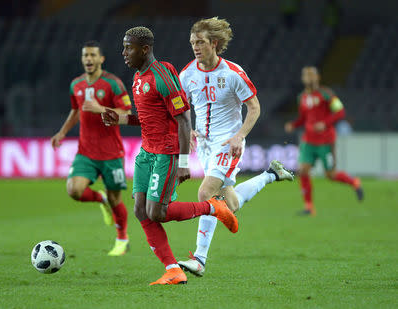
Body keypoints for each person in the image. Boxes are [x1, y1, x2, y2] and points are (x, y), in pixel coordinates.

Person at [102, 26, 238, 285]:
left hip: (166, 152)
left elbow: (184, 119)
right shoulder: (139, 77)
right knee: (141, 211)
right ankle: (173, 269)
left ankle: (213, 207)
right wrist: (120, 118)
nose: (123, 53)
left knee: (157, 212)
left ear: (145, 49)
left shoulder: (162, 75)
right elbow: (147, 118)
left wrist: (184, 163)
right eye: (124, 47)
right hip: (146, 153)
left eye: (128, 47)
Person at [176, 17, 294, 277]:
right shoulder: (187, 74)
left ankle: (199, 259)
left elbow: (254, 106)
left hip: (228, 144)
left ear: (214, 43)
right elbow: (182, 107)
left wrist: (239, 136)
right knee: (231, 203)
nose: (195, 47)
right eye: (192, 42)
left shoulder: (232, 73)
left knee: (205, 193)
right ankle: (271, 174)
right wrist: (191, 129)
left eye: (200, 42)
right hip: (205, 146)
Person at [51, 41, 132, 256]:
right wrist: (62, 132)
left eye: (93, 55)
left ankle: (122, 239)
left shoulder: (113, 84)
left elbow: (126, 112)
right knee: (74, 190)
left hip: (111, 153)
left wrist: (100, 108)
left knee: (117, 200)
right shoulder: (76, 85)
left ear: (101, 59)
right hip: (85, 151)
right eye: (85, 55)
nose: (88, 59)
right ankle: (100, 198)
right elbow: (76, 110)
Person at [285, 66, 364, 215]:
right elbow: (303, 119)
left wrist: (325, 123)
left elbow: (340, 112)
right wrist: (293, 125)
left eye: (311, 75)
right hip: (308, 141)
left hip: (325, 142)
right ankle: (309, 207)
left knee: (331, 175)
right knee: (303, 171)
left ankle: (354, 182)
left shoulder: (326, 94)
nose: (308, 78)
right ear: (303, 79)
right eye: (306, 76)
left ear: (317, 78)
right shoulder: (301, 97)